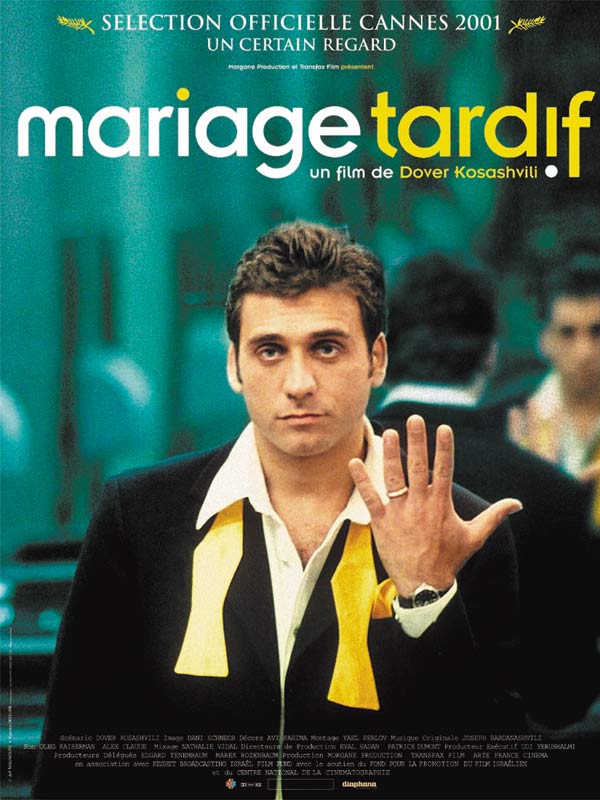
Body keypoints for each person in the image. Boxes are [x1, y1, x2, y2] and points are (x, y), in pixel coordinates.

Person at [34, 223, 523, 800]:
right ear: (235, 366)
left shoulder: (458, 529)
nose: (298, 383)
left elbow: (489, 774)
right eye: (270, 351)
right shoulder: (139, 517)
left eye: (326, 347)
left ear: (377, 358)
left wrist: (426, 597)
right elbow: (76, 760)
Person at [377, 253, 599, 729]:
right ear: (492, 355)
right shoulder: (553, 492)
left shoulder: (319, 471)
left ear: (381, 352)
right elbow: (565, 697)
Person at [509, 253, 600, 528]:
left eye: (597, 332)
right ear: (544, 339)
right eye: (567, 333)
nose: (584, 351)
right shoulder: (507, 417)